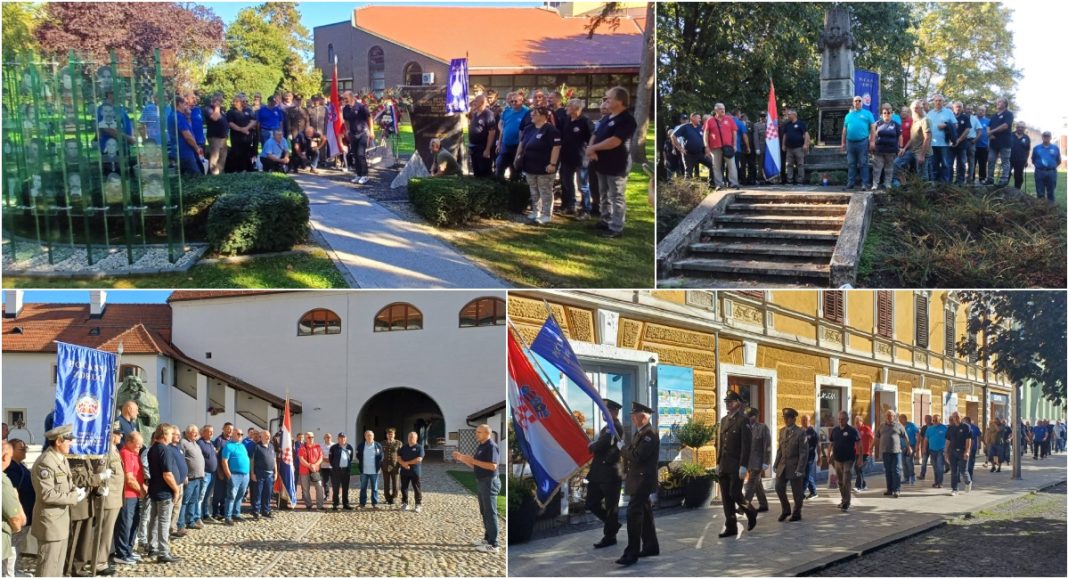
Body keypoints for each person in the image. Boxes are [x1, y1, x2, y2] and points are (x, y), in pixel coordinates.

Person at [30, 425, 85, 576]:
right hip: (50, 523)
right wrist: (73, 497)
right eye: (69, 440)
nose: (71, 443)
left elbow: (68, 483)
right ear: (59, 441)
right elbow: (46, 494)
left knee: (58, 568)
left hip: (60, 522)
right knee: (47, 567)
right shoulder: (46, 462)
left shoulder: (61, 459)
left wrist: (75, 490)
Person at [72, 424, 123, 576]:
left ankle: (101, 559)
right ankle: (99, 563)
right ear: (111, 435)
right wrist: (100, 489)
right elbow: (100, 473)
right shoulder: (105, 452)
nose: (121, 436)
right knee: (104, 532)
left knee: (107, 531)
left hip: (115, 496)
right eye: (118, 434)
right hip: (108, 498)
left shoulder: (114, 450)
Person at [587, 86, 637, 238]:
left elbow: (614, 141)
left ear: (620, 101)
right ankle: (605, 219)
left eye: (609, 98)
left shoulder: (627, 120)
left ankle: (616, 228)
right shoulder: (607, 117)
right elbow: (596, 134)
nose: (606, 101)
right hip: (601, 162)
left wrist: (593, 148)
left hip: (617, 164)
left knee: (616, 196)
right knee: (604, 193)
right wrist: (592, 149)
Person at [615, 403, 659, 566]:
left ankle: (631, 554)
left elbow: (637, 456)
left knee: (633, 515)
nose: (632, 418)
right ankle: (651, 546)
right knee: (645, 513)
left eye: (635, 415)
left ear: (644, 416)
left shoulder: (650, 434)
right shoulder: (640, 433)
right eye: (632, 416)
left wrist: (622, 449)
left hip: (643, 480)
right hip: (637, 478)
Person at [452, 424, 499, 553]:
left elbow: (493, 466)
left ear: (487, 433)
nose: (476, 434)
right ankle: (487, 538)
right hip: (481, 481)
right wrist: (462, 458)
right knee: (484, 512)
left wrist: (472, 460)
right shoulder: (481, 446)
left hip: (489, 482)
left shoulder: (491, 447)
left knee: (490, 513)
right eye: (476, 432)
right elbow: (476, 465)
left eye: (479, 432)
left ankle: (494, 545)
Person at [716, 391, 757, 538]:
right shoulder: (724, 420)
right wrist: (718, 462)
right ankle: (731, 526)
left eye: (731, 401)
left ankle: (751, 511)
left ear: (738, 403)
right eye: (727, 401)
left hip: (736, 465)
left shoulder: (743, 420)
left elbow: (746, 445)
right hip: (724, 464)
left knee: (735, 493)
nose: (728, 403)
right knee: (726, 498)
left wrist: (743, 466)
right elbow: (721, 444)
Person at [585, 399, 624, 548]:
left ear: (614, 412)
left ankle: (610, 536)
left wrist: (591, 446)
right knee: (591, 503)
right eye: (603, 411)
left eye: (606, 411)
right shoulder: (607, 427)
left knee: (610, 507)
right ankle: (613, 526)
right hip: (599, 473)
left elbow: (603, 443)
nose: (603, 413)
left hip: (610, 474)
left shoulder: (616, 427)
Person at [516, 106, 562, 225]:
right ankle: (536, 211)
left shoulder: (551, 130)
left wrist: (552, 164)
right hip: (530, 164)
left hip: (544, 166)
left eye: (534, 113)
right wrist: (517, 157)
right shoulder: (528, 128)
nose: (531, 115)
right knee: (533, 189)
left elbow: (556, 147)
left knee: (545, 190)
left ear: (543, 116)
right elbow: (521, 144)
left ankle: (546, 214)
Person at [146, 424, 180, 563]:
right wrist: (176, 489)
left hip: (154, 489)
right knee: (163, 522)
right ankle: (163, 552)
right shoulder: (164, 450)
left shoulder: (152, 449)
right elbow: (167, 474)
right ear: (165, 434)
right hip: (164, 491)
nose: (173, 436)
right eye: (171, 433)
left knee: (153, 520)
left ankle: (152, 547)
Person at [114, 431, 146, 565]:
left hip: (136, 494)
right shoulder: (126, 454)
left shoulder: (135, 454)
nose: (139, 447)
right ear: (129, 442)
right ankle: (121, 553)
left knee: (134, 523)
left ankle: (128, 549)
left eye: (140, 445)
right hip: (128, 494)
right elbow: (129, 478)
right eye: (137, 445)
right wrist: (142, 491)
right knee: (125, 524)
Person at [559, 99, 594, 216]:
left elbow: (592, 139)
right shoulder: (566, 120)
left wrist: (590, 151)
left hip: (581, 158)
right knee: (567, 183)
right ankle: (571, 206)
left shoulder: (585, 121)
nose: (566, 108)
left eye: (568, 106)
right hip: (566, 158)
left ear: (576, 108)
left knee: (582, 186)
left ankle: (586, 210)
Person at [3, 438, 33, 575]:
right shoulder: (12, 469)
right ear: (11, 452)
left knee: (17, 546)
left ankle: (12, 571)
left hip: (25, 514)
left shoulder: (20, 466)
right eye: (22, 449)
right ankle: (8, 573)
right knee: (11, 547)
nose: (25, 451)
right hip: (16, 515)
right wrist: (18, 515)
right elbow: (13, 493)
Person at [774, 408, 808, 522]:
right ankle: (786, 509)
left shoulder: (801, 432)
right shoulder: (782, 431)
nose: (786, 420)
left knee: (797, 492)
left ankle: (797, 513)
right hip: (783, 465)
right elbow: (780, 449)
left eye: (788, 418)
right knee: (778, 487)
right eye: (784, 418)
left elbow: (803, 453)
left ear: (794, 419)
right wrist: (775, 463)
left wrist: (800, 468)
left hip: (795, 466)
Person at [841, 96, 876, 189]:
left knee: (863, 163)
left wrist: (872, 141)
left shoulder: (867, 114)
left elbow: (873, 128)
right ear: (853, 103)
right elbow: (844, 130)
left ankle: (865, 183)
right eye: (855, 101)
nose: (857, 102)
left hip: (863, 142)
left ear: (862, 102)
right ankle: (851, 183)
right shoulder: (848, 115)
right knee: (851, 163)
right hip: (850, 143)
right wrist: (843, 143)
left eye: (859, 101)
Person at [704, 103, 740, 190]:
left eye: (723, 108)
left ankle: (734, 183)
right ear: (716, 110)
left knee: (732, 165)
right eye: (720, 108)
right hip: (715, 147)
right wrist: (706, 146)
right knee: (716, 166)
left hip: (728, 147)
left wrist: (734, 144)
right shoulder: (710, 120)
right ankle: (719, 184)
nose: (722, 110)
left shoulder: (729, 119)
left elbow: (734, 132)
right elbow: (706, 133)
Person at [828, 411, 859, 511]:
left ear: (847, 419)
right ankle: (844, 499)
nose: (840, 421)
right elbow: (831, 443)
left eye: (843, 419)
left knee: (846, 479)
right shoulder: (835, 430)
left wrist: (861, 458)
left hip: (849, 459)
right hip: (837, 459)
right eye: (839, 419)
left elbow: (859, 444)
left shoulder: (852, 430)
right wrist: (828, 455)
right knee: (840, 481)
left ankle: (847, 503)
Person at [177, 424, 204, 533]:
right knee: (185, 501)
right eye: (194, 432)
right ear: (188, 432)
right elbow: (181, 460)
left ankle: (191, 521)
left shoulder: (195, 443)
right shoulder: (183, 443)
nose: (196, 433)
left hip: (198, 477)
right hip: (190, 478)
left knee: (193, 501)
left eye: (197, 432)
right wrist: (185, 475)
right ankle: (180, 523)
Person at [742, 408, 771, 513]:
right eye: (747, 416)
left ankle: (743, 506)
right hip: (749, 462)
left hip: (758, 463)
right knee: (757, 484)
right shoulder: (746, 429)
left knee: (751, 484)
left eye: (750, 416)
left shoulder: (763, 428)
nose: (748, 418)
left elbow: (767, 445)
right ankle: (763, 504)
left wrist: (766, 461)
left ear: (755, 417)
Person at [496, 92, 529, 181]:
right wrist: (499, 143)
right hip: (505, 144)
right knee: (499, 165)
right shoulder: (506, 111)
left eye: (515, 101)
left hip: (518, 145)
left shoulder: (527, 112)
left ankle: (514, 189)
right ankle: (500, 188)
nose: (513, 103)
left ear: (522, 101)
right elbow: (502, 128)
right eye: (511, 101)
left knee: (515, 168)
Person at [166, 95, 203, 176]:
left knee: (185, 177)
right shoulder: (178, 116)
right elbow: (187, 136)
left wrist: (188, 116)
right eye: (185, 104)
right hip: (185, 152)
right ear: (179, 104)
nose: (186, 106)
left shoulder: (172, 115)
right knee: (197, 177)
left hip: (177, 151)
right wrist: (196, 147)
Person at [220, 427, 250, 525]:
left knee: (240, 496)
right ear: (233, 435)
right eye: (238, 434)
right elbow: (224, 461)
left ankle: (236, 514)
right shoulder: (228, 446)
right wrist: (229, 475)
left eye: (241, 434)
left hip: (245, 475)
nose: (240, 436)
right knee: (231, 496)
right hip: (234, 475)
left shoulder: (242, 446)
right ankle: (228, 517)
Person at [873, 410, 906, 497]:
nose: (889, 416)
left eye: (890, 415)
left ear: (894, 416)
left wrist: (909, 447)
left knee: (896, 471)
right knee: (888, 471)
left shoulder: (899, 426)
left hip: (896, 452)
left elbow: (905, 437)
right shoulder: (881, 426)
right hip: (885, 452)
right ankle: (890, 489)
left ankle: (897, 490)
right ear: (885, 416)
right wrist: (871, 447)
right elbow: (876, 438)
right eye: (887, 415)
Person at [672, 113, 712, 183]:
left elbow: (705, 138)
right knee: (688, 173)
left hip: (700, 153)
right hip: (689, 154)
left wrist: (706, 149)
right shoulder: (685, 127)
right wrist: (679, 147)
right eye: (698, 118)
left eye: (700, 118)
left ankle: (712, 184)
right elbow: (673, 135)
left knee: (712, 165)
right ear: (693, 118)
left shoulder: (701, 127)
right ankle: (687, 190)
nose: (700, 119)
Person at [926, 94, 956, 183]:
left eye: (940, 100)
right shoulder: (929, 114)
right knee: (933, 164)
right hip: (932, 143)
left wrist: (946, 125)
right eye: (936, 101)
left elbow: (955, 125)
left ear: (943, 102)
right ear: (933, 102)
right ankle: (934, 183)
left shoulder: (949, 112)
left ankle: (945, 184)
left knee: (945, 164)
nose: (938, 102)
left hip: (944, 143)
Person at [898, 100, 931, 179]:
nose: (915, 110)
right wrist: (904, 149)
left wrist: (922, 155)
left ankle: (925, 191)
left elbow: (927, 138)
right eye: (913, 109)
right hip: (913, 151)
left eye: (917, 108)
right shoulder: (915, 121)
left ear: (921, 108)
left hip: (922, 153)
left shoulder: (925, 120)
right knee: (897, 163)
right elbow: (912, 138)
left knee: (922, 176)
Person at [872, 104, 902, 189]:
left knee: (889, 169)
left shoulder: (895, 124)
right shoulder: (877, 123)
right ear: (882, 114)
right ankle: (875, 185)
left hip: (891, 151)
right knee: (877, 169)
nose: (887, 114)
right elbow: (873, 135)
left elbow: (900, 136)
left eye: (888, 113)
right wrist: (872, 144)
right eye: (885, 113)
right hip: (879, 150)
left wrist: (901, 147)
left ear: (891, 114)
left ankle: (887, 184)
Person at [985, 98, 1014, 186]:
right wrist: (989, 134)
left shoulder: (1008, 114)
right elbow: (988, 126)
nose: (997, 103)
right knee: (990, 160)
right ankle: (990, 179)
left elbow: (1005, 126)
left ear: (1005, 104)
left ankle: (1003, 180)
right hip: (993, 143)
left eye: (1000, 102)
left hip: (1004, 142)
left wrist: (992, 132)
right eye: (997, 102)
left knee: (1005, 161)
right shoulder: (994, 115)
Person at [225, 94, 257, 173]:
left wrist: (246, 128)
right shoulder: (230, 112)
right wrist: (240, 129)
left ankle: (245, 169)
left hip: (247, 137)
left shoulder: (249, 110)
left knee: (246, 153)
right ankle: (235, 170)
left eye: (246, 101)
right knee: (236, 153)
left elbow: (253, 121)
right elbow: (230, 123)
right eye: (235, 101)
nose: (236, 103)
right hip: (236, 137)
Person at [467, 95, 497, 178]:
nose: (474, 102)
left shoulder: (488, 114)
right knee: (476, 171)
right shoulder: (475, 113)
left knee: (484, 171)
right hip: (474, 147)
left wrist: (487, 149)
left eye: (476, 101)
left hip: (482, 148)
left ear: (482, 102)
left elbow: (492, 132)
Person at [249, 430, 276, 519]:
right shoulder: (257, 447)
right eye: (266, 435)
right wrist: (252, 473)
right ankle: (256, 511)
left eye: (269, 435)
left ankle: (266, 510)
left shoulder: (271, 446)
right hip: (259, 473)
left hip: (270, 474)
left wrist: (276, 472)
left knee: (267, 493)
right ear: (262, 436)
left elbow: (274, 459)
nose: (268, 437)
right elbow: (252, 461)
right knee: (258, 493)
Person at [945, 412, 973, 496]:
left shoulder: (966, 427)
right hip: (952, 452)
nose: (955, 418)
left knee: (963, 471)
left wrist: (967, 451)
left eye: (957, 417)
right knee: (954, 471)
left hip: (962, 451)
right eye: (954, 417)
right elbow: (948, 441)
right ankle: (954, 489)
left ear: (961, 417)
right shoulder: (950, 428)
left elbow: (968, 440)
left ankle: (968, 482)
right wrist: (946, 452)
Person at [781, 109, 810, 185]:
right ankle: (789, 181)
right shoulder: (787, 124)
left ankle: (800, 181)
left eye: (789, 114)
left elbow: (806, 134)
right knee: (789, 164)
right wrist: (783, 145)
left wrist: (805, 144)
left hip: (799, 148)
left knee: (800, 164)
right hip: (789, 148)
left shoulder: (801, 123)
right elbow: (785, 135)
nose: (788, 116)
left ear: (794, 115)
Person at [211, 422, 233, 519]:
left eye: (231, 429)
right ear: (223, 429)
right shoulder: (219, 440)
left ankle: (223, 512)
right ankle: (215, 513)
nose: (229, 431)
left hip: (229, 471)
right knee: (218, 494)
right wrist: (219, 471)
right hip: (221, 471)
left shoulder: (232, 441)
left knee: (226, 493)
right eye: (228, 428)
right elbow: (216, 457)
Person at [398, 432, 425, 513]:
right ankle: (405, 503)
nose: (410, 438)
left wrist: (407, 463)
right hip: (404, 471)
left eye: (412, 437)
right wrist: (403, 463)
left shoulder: (419, 447)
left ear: (416, 438)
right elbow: (398, 457)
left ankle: (418, 504)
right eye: (409, 437)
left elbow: (419, 459)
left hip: (415, 472)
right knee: (404, 488)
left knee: (416, 488)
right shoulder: (403, 447)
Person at [298, 432, 325, 511]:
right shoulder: (302, 448)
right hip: (304, 471)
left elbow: (321, 457)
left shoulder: (318, 447)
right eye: (309, 437)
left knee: (319, 487)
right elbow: (301, 459)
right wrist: (310, 465)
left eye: (312, 437)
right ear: (306, 439)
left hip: (315, 471)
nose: (311, 439)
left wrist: (315, 465)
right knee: (305, 489)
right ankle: (308, 505)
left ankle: (320, 505)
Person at [949, 101, 975, 184]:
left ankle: (960, 181)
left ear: (962, 108)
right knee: (949, 163)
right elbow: (946, 129)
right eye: (956, 106)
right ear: (953, 107)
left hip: (962, 144)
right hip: (950, 145)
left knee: (961, 163)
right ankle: (949, 180)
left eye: (960, 106)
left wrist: (959, 140)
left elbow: (967, 130)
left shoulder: (965, 117)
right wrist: (950, 141)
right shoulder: (949, 116)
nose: (958, 108)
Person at [1032, 131, 1061, 202]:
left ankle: (1051, 209)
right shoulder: (1036, 148)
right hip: (1039, 172)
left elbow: (1059, 160)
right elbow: (1033, 160)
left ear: (1051, 138)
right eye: (1044, 136)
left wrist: (1051, 167)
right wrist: (1040, 167)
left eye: (1048, 136)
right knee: (1040, 192)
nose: (1046, 138)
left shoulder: (1055, 148)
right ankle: (1041, 209)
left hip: (1051, 172)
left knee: (1051, 192)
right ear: (1042, 137)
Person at [196, 425, 216, 527]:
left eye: (212, 431)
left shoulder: (211, 444)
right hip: (205, 474)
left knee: (208, 496)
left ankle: (206, 514)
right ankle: (197, 517)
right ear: (203, 433)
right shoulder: (200, 443)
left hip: (212, 474)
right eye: (209, 431)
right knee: (201, 497)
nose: (212, 433)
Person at [204, 93, 229, 175]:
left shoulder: (222, 109)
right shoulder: (208, 109)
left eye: (221, 100)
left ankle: (220, 172)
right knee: (215, 156)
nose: (221, 102)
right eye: (219, 100)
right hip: (214, 137)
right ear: (214, 100)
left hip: (223, 137)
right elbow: (215, 118)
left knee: (223, 156)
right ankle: (214, 173)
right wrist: (217, 107)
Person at [356, 430, 382, 508]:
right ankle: (362, 503)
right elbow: (358, 455)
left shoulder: (378, 445)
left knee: (375, 488)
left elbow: (381, 456)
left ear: (373, 436)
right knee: (363, 487)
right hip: (364, 471)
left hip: (374, 471)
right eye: (367, 435)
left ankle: (375, 503)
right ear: (365, 437)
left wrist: (379, 465)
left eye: (371, 435)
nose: (369, 437)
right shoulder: (361, 445)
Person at [329, 433, 354, 511]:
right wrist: (335, 466)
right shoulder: (333, 447)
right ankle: (335, 504)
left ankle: (345, 504)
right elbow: (331, 459)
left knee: (345, 488)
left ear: (345, 439)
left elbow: (351, 458)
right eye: (340, 438)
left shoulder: (349, 447)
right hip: (336, 471)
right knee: (335, 488)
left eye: (343, 438)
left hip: (346, 471)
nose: (342, 439)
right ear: (338, 439)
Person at [924, 414, 948, 488]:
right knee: (935, 467)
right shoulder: (929, 429)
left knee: (940, 467)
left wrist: (947, 450)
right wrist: (924, 448)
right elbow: (926, 440)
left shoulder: (945, 428)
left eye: (936, 420)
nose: (934, 421)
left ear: (940, 420)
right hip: (932, 450)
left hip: (941, 450)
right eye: (933, 420)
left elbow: (949, 439)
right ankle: (936, 481)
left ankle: (940, 483)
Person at [381, 428, 403, 508]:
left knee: (396, 483)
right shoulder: (382, 443)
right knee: (386, 483)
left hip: (395, 466)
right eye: (388, 434)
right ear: (386, 435)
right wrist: (380, 465)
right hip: (385, 466)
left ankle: (394, 497)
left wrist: (400, 465)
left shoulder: (398, 443)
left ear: (394, 435)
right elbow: (380, 455)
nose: (390, 435)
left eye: (391, 434)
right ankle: (387, 498)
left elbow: (401, 455)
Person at [853, 415, 873, 491]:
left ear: (861, 422)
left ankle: (859, 486)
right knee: (856, 468)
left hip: (865, 452)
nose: (857, 424)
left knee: (860, 468)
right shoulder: (855, 430)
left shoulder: (866, 428)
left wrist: (871, 448)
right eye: (855, 422)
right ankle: (863, 485)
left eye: (858, 422)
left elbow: (872, 438)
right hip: (857, 453)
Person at [1009, 121, 1031, 189]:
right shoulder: (1010, 135)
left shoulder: (1027, 138)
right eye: (1018, 127)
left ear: (1024, 128)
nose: (1020, 128)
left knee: (1018, 176)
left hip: (1021, 160)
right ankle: (1003, 189)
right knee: (1006, 174)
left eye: (1022, 127)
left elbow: (1028, 150)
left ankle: (1017, 190)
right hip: (1009, 159)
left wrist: (1026, 160)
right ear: (1016, 127)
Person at [899, 413, 919, 485]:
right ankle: (906, 478)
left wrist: (917, 446)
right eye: (899, 420)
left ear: (905, 419)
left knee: (909, 462)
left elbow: (917, 435)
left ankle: (912, 477)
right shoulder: (899, 426)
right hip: (902, 447)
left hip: (911, 446)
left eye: (901, 419)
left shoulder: (912, 425)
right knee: (904, 463)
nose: (900, 421)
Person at [974, 105, 991, 184]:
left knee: (983, 163)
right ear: (977, 110)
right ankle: (971, 178)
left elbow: (989, 133)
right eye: (979, 110)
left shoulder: (988, 121)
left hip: (984, 146)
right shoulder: (973, 119)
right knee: (972, 163)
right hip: (973, 145)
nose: (981, 112)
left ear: (985, 112)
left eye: (983, 110)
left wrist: (989, 144)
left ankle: (982, 179)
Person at [963, 416, 982, 480]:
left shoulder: (975, 427)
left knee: (971, 461)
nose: (963, 422)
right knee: (965, 461)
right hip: (965, 447)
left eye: (964, 420)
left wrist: (979, 444)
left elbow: (979, 436)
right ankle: (966, 474)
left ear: (967, 421)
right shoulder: (963, 427)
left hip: (973, 447)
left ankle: (970, 474)